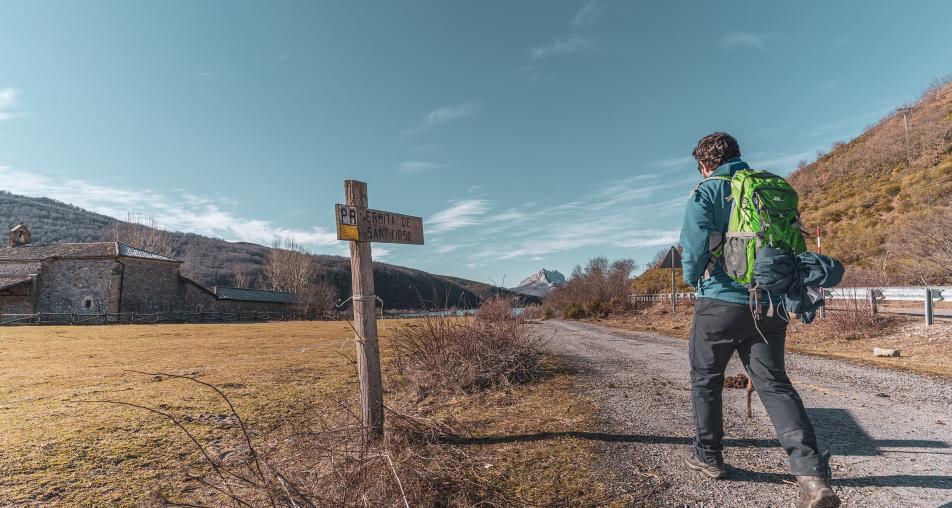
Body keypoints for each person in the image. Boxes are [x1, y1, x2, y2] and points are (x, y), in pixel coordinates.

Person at [679, 132, 840, 508]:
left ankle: (709, 456)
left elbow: (693, 246)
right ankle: (811, 475)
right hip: (769, 302)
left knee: (706, 380)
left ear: (705, 164)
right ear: (737, 155)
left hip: (718, 302)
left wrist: (694, 278)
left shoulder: (707, 191)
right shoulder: (766, 187)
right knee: (773, 383)